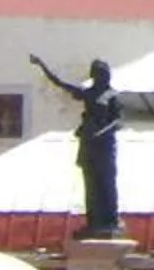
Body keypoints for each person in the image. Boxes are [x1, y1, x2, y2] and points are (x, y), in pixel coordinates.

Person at [31, 54, 123, 238]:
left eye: (102, 73)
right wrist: (42, 65)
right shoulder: (89, 93)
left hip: (104, 146)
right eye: (97, 74)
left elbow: (118, 120)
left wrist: (102, 131)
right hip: (89, 143)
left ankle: (109, 221)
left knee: (106, 183)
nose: (100, 77)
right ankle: (94, 221)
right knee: (90, 184)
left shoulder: (112, 95)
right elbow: (61, 84)